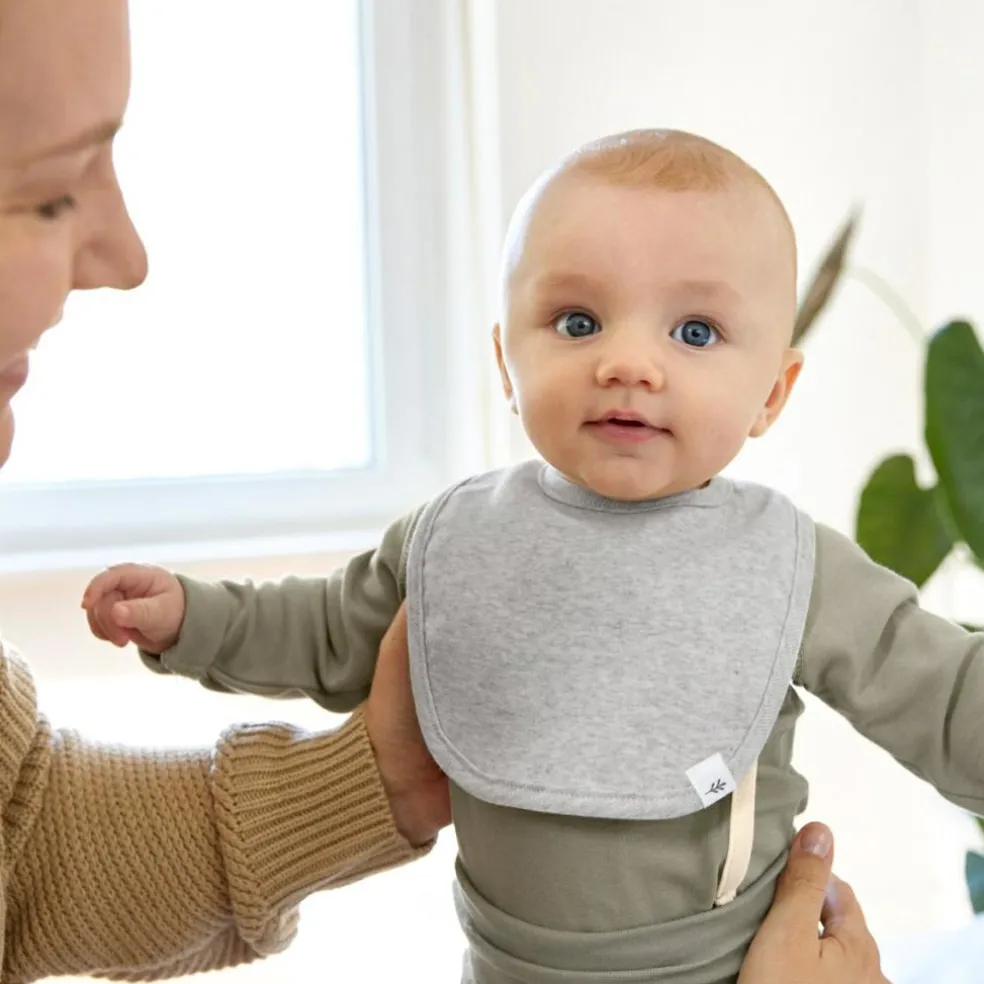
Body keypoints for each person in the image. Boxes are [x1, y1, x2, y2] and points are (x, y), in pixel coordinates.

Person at [0, 0, 888, 980]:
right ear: (506, 364)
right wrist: (195, 619)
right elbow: (335, 630)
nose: (629, 364)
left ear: (774, 392)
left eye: (692, 333)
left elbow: (937, 691)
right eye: (579, 321)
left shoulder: (789, 563)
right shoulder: (460, 536)